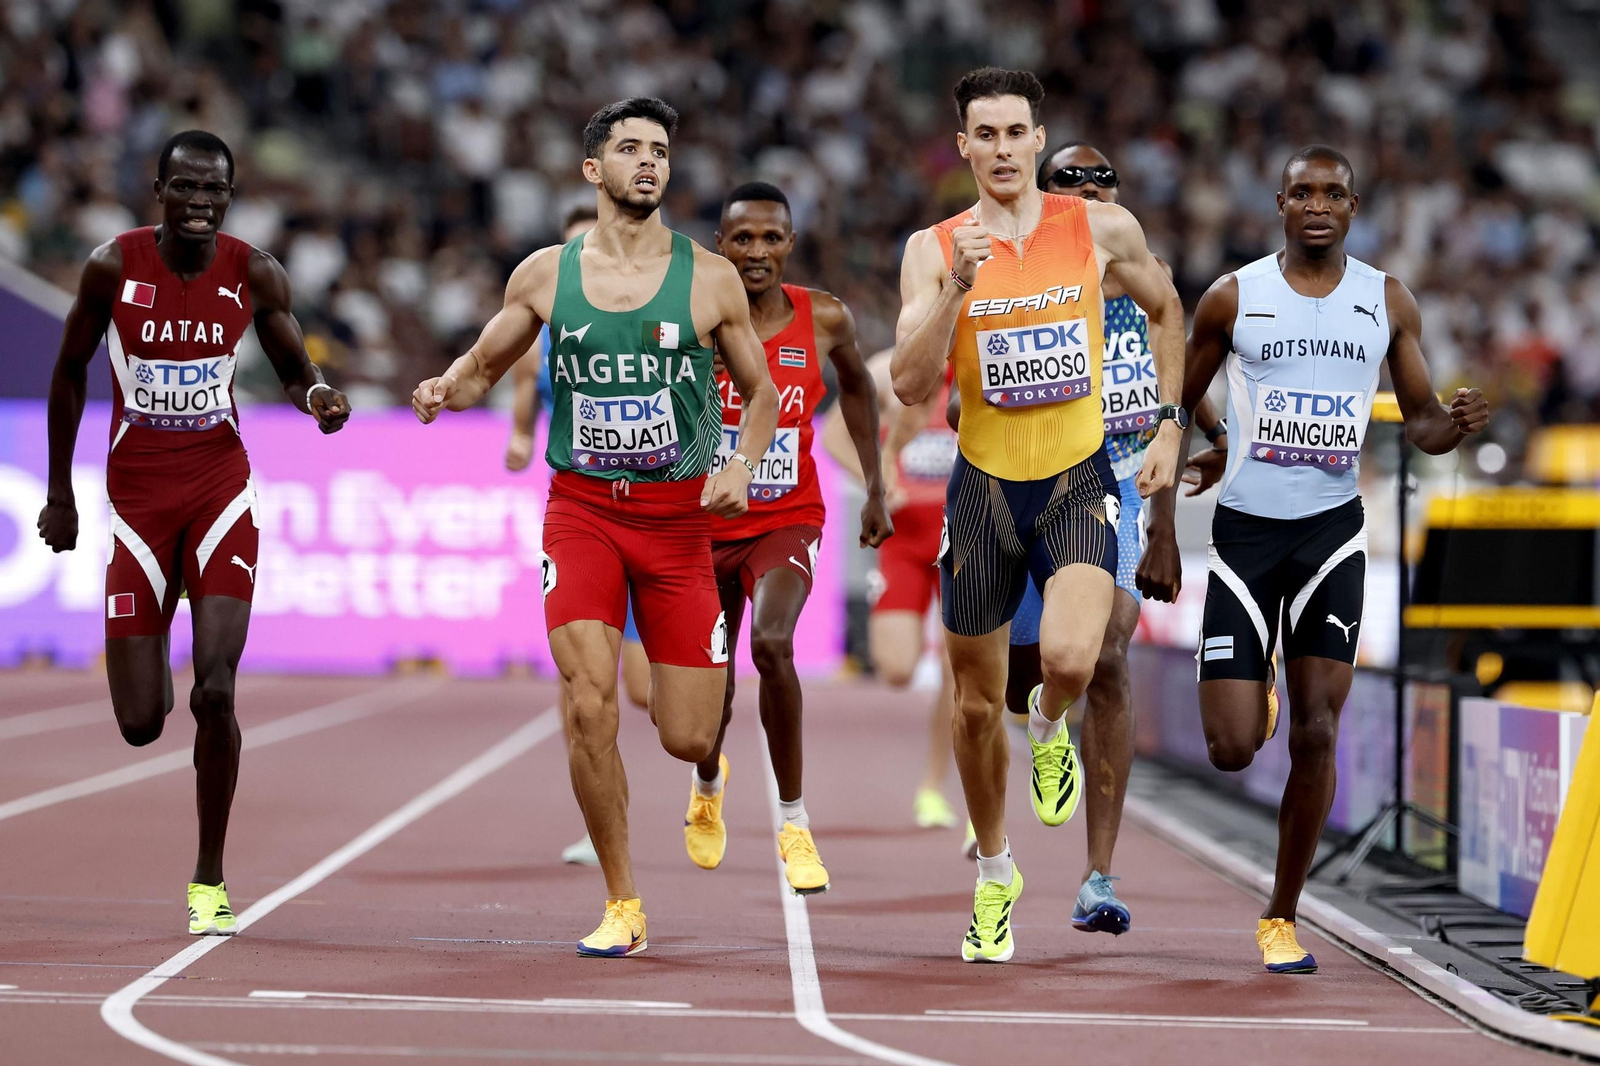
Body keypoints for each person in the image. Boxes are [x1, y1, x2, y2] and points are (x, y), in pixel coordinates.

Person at [411, 97, 778, 959]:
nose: (648, 162)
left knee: (687, 728)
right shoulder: (545, 273)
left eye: (660, 150)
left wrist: (738, 465)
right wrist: (443, 388)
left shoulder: (712, 277)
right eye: (630, 149)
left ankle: (706, 771)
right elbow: (483, 365)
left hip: (678, 525)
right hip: (580, 512)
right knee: (588, 705)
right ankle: (623, 900)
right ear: (593, 170)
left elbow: (760, 395)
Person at [1138, 145, 1490, 974]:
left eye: (1334, 192)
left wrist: (1459, 421)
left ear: (1354, 206)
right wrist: (1159, 529)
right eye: (1303, 192)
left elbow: (1424, 425)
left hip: (1332, 534)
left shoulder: (1386, 300)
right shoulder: (1235, 297)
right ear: (1280, 202)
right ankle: (1250, 689)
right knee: (1230, 748)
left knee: (1320, 730)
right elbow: (1173, 413)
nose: (1318, 204)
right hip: (1247, 537)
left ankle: (1281, 916)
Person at [891, 69, 1185, 964]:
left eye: (1019, 132)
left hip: (1077, 477)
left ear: (1036, 136)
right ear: (966, 148)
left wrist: (1169, 422)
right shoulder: (936, 246)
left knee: (1069, 658)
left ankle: (1052, 725)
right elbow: (908, 383)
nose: (1006, 149)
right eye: (987, 135)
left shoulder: (1098, 228)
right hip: (981, 491)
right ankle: (995, 874)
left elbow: (1168, 308)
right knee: (978, 712)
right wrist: (955, 291)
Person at [35, 130, 351, 935]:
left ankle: (208, 878)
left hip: (220, 486)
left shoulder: (253, 271)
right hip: (137, 496)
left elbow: (291, 367)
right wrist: (60, 493)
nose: (202, 204)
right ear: (159, 190)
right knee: (142, 722)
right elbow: (68, 371)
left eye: (216, 191)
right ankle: (156, 631)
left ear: (230, 196)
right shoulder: (113, 266)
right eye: (187, 189)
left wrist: (316, 398)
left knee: (217, 689)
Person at [686, 182, 891, 894]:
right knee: (707, 691)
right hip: (700, 527)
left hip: (786, 519)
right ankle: (708, 781)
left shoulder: (825, 317)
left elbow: (859, 389)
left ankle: (794, 822)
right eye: (742, 238)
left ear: (790, 244)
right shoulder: (692, 319)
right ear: (720, 244)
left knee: (772, 644)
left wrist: (876, 486)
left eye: (771, 238)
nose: (756, 252)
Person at [503, 203, 647, 868]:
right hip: (580, 508)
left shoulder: (640, 315)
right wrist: (520, 435)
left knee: (650, 697)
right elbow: (526, 378)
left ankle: (708, 759)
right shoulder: (546, 317)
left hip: (651, 514)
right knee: (582, 687)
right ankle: (601, 826)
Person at [824, 350, 960, 832]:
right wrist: (875, 484)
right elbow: (834, 433)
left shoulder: (979, 356)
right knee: (898, 669)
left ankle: (933, 788)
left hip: (962, 541)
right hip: (902, 543)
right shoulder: (888, 370)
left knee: (958, 672)